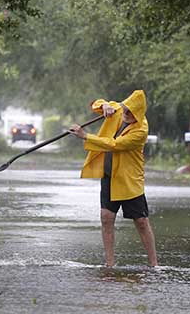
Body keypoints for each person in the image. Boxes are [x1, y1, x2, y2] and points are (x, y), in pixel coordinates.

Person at [68, 90, 158, 267]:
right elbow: (95, 103)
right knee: (106, 217)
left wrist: (86, 136)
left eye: (129, 113)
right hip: (110, 175)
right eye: (124, 110)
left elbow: (115, 145)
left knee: (141, 221)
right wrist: (105, 105)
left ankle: (154, 264)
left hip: (129, 180)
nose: (124, 114)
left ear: (138, 114)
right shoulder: (120, 109)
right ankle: (109, 263)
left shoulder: (140, 130)